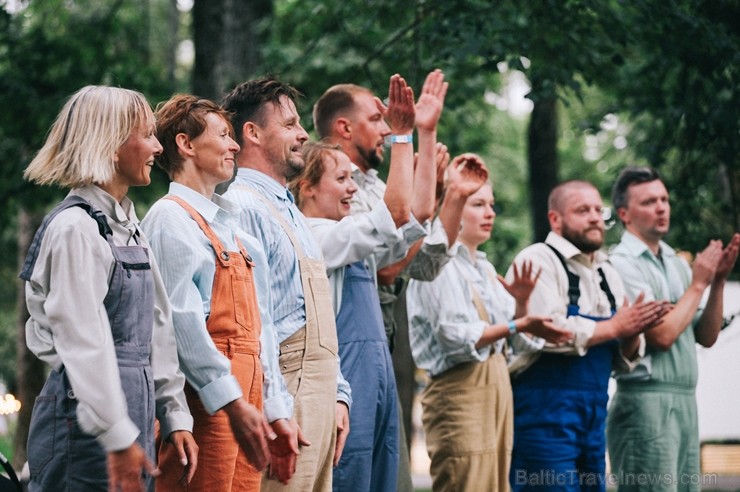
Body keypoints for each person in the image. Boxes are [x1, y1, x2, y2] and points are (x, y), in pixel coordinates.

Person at [19, 85, 197, 492]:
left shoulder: (130, 227)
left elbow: (158, 327)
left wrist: (174, 413)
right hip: (83, 424)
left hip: (131, 416)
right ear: (112, 143)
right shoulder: (75, 228)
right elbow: (82, 340)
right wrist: (116, 434)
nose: (157, 145)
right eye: (147, 134)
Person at [141, 95, 292, 490]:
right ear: (186, 145)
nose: (235, 145)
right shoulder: (169, 217)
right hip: (206, 403)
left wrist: (275, 407)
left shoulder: (235, 232)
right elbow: (182, 324)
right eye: (223, 135)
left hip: (248, 400)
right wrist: (231, 401)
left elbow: (263, 332)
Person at [313, 69, 451, 492]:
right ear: (343, 126)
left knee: (382, 467)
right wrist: (407, 138)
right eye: (378, 119)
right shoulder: (321, 219)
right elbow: (391, 253)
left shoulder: (367, 185)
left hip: (374, 343)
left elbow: (413, 218)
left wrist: (422, 136)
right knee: (350, 467)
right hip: (346, 346)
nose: (387, 125)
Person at [406, 161, 573, 492]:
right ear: (448, 206)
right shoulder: (436, 268)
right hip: (459, 398)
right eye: (478, 204)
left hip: (497, 396)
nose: (490, 213)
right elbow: (455, 338)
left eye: (492, 205)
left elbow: (520, 343)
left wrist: (522, 304)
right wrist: (517, 322)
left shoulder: (484, 269)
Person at [221, 78, 351, 492]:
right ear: (252, 133)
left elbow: (314, 315)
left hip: (318, 394)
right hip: (287, 396)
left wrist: (338, 393)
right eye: (290, 125)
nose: (303, 135)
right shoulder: (243, 207)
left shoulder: (289, 208)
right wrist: (277, 411)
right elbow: (258, 325)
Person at [506, 180, 667, 492]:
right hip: (544, 413)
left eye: (598, 209)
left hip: (593, 414)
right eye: (583, 211)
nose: (595, 217)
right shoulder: (538, 259)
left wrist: (634, 331)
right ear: (556, 219)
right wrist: (616, 327)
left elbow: (624, 359)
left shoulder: (606, 270)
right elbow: (544, 332)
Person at [606, 167, 740, 491]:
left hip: (684, 400)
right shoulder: (620, 262)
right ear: (624, 214)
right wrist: (698, 283)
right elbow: (662, 337)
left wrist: (717, 281)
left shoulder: (676, 263)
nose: (662, 207)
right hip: (645, 403)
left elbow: (705, 337)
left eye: (664, 199)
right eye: (650, 201)